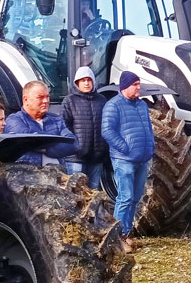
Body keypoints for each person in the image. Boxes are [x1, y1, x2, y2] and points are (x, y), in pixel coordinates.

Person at [102, 71, 154, 251]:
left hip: (142, 159)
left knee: (135, 198)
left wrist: (151, 146)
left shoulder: (142, 105)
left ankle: (127, 232)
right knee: (125, 198)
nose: (139, 88)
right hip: (124, 159)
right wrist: (125, 148)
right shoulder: (113, 105)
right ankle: (117, 238)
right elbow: (107, 131)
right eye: (135, 85)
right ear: (125, 86)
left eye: (139, 84)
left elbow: (148, 128)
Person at [4, 80, 78, 167]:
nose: (46, 101)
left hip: (58, 173)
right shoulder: (14, 120)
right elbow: (27, 140)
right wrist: (58, 141)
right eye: (40, 97)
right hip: (28, 173)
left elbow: (73, 144)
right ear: (26, 100)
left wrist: (45, 149)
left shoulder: (56, 120)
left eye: (47, 97)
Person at [61, 65, 110, 189]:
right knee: (75, 193)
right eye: (83, 80)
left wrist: (103, 148)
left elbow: (107, 125)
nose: (86, 83)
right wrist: (76, 146)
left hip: (97, 157)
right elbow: (63, 125)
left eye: (89, 80)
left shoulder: (102, 100)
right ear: (77, 83)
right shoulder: (69, 101)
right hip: (75, 158)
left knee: (94, 194)